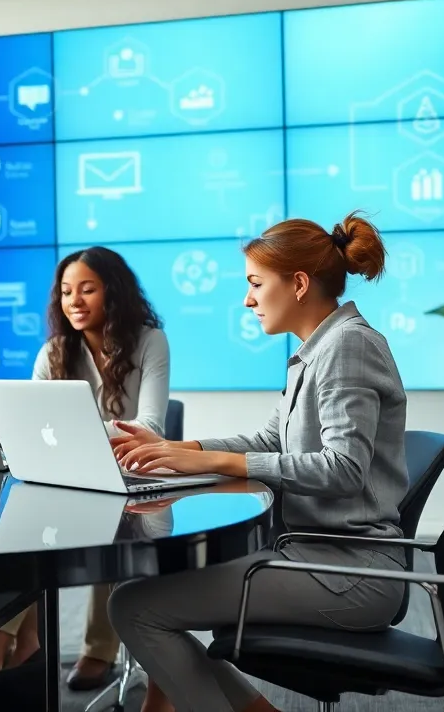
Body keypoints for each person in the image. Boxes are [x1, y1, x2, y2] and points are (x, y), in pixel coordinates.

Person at [106, 212, 409, 712]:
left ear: (298, 284)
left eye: (255, 283)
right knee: (140, 593)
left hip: (350, 574)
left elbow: (343, 469)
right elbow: (272, 438)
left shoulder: (348, 345)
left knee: (134, 607)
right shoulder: (317, 349)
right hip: (315, 556)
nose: (247, 300)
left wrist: (226, 463)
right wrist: (182, 451)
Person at [0, 247, 169, 686]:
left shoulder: (150, 341)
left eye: (87, 289)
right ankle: (5, 640)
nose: (73, 300)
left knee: (111, 530)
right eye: (66, 291)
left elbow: (148, 425)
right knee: (20, 531)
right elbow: (30, 423)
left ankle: (97, 648)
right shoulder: (54, 351)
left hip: (127, 480)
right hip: (64, 478)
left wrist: (78, 432)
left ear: (114, 292)